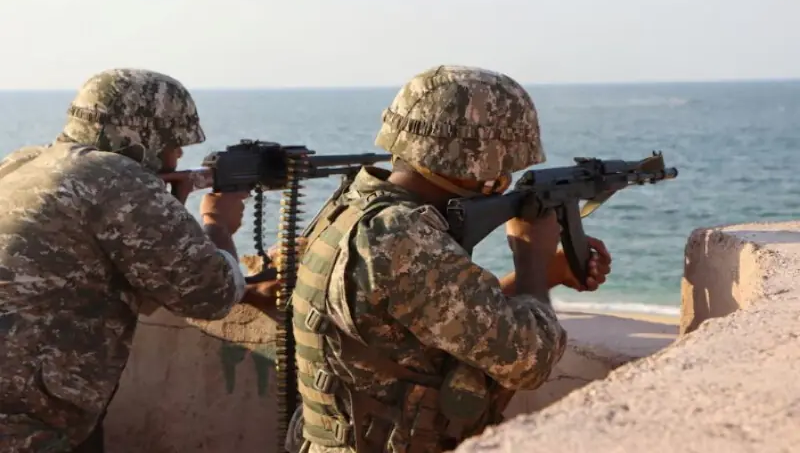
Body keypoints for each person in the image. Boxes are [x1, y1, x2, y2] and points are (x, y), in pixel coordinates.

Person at [284, 65, 613, 453]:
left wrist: (551, 271)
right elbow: (530, 359)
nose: (506, 178)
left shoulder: (353, 207)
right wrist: (531, 259)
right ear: (479, 163)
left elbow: (436, 314)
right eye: (505, 167)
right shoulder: (401, 237)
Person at [0, 68, 276, 453]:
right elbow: (211, 296)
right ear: (142, 137)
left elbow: (132, 278)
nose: (178, 155)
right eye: (174, 143)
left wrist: (169, 208)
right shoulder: (114, 175)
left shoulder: (22, 163)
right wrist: (218, 222)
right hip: (23, 423)